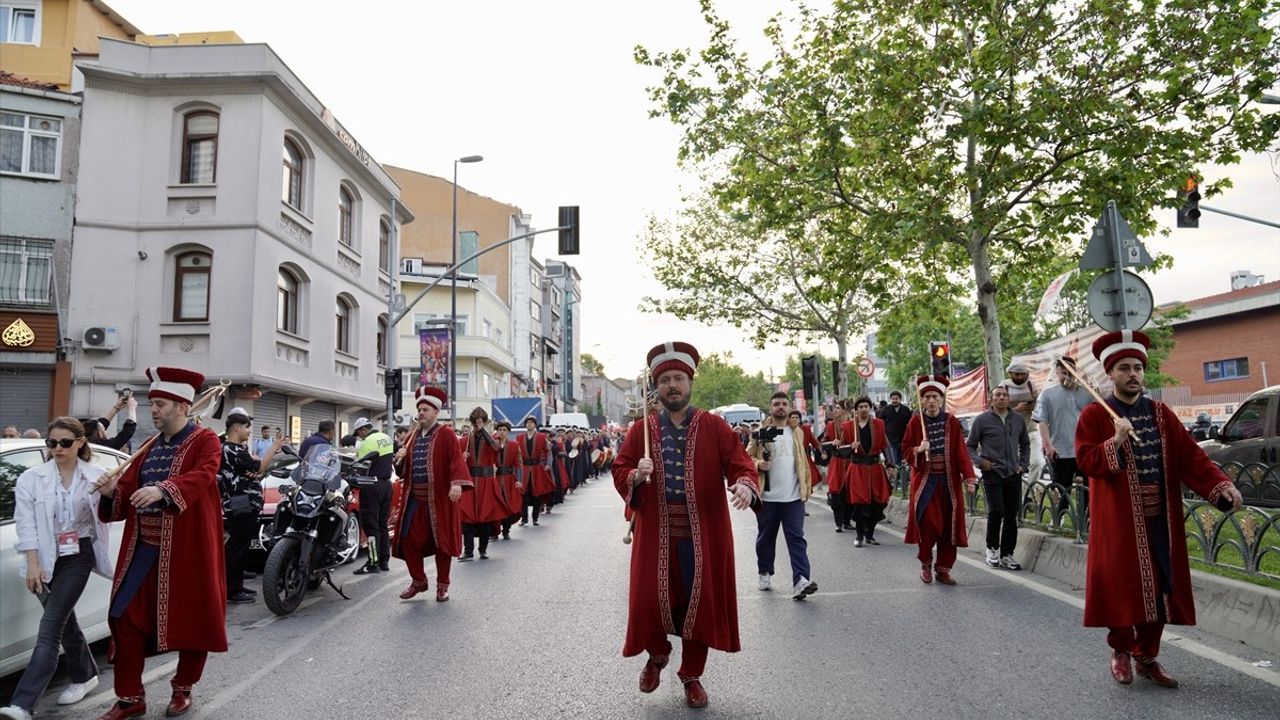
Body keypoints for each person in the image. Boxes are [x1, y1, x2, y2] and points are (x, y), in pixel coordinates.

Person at [1075, 330, 1242, 688]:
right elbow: (1087, 462)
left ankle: (1147, 655)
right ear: (1111, 374)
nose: (1133, 374)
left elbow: (1190, 457)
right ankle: (1121, 649)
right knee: (1122, 587)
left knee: (1162, 587)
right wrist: (1114, 441)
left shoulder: (1161, 414)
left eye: (1137, 367)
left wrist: (1219, 486)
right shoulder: (1094, 414)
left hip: (1160, 518)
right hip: (1118, 521)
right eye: (1124, 368)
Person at [612, 341, 759, 709]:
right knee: (648, 600)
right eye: (665, 380)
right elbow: (619, 467)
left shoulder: (714, 426)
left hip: (703, 533)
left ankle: (691, 675)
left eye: (678, 378)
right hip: (655, 532)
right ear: (656, 387)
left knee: (700, 604)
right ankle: (658, 654)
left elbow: (741, 464)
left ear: (690, 383)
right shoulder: (640, 430)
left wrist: (744, 484)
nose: (672, 386)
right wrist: (633, 475)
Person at [91, 366, 226, 720]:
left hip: (188, 548)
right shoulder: (148, 446)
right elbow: (128, 488)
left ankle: (183, 688)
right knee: (123, 617)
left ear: (183, 406)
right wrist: (111, 492)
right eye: (152, 403)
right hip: (143, 547)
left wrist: (163, 490)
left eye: (161, 403)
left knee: (193, 619)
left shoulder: (206, 440)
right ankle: (130, 698)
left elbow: (203, 474)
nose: (153, 410)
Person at [1, 419, 113, 720]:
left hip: (79, 554)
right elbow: (25, 525)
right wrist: (33, 564)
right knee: (64, 620)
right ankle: (85, 673)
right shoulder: (31, 478)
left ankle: (22, 703)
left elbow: (112, 512)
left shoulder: (96, 476)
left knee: (50, 627)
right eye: (52, 443)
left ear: (79, 442)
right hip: (45, 557)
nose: (57, 449)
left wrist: (111, 492)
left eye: (65, 443)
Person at [390, 387, 471, 601]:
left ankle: (442, 586)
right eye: (419, 409)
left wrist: (456, 484)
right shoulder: (412, 436)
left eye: (426, 409)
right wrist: (398, 460)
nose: (421, 413)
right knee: (407, 540)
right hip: (415, 499)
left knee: (442, 544)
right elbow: (403, 471)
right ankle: (419, 581)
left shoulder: (446, 434)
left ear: (436, 412)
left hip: (440, 499)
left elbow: (456, 460)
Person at [900, 375, 978, 586]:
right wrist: (918, 449)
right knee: (929, 525)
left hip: (948, 483)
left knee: (948, 528)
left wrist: (969, 477)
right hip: (926, 483)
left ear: (942, 399)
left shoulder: (951, 421)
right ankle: (926, 562)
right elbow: (905, 449)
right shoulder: (916, 422)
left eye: (935, 396)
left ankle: (943, 568)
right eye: (927, 397)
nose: (932, 400)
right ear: (922, 400)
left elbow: (961, 452)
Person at [748, 392, 818, 599]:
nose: (781, 407)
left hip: (793, 498)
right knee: (766, 539)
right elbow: (746, 457)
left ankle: (801, 580)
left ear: (789, 408)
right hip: (767, 498)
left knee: (797, 538)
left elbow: (802, 461)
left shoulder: (797, 432)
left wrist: (806, 487)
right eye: (776, 404)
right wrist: (759, 464)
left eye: (784, 404)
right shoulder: (760, 433)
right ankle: (765, 572)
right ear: (770, 408)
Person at [218, 408, 284, 604]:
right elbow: (260, 467)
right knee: (238, 547)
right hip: (241, 503)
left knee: (238, 546)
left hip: (239, 502)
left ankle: (236, 586)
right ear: (237, 428)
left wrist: (253, 473)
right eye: (247, 427)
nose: (249, 431)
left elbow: (252, 473)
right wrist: (274, 448)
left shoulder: (229, 449)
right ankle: (233, 590)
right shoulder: (234, 450)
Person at [966, 385, 1030, 570]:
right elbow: (969, 446)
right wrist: (981, 462)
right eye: (998, 395)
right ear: (991, 399)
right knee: (996, 511)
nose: (1001, 398)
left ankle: (1007, 554)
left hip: (1013, 473)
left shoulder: (1017, 419)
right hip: (992, 472)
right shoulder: (982, 420)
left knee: (1011, 515)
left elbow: (1025, 444)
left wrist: (1023, 465)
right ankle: (992, 549)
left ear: (1009, 398)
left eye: (1004, 395)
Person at [1032, 357, 1094, 514]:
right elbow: (1042, 421)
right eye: (1064, 372)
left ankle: (1086, 519)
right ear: (1057, 372)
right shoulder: (1047, 394)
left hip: (1083, 449)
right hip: (1060, 449)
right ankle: (1059, 517)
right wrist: (1048, 445)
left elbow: (1094, 417)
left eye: (1070, 372)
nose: (1067, 375)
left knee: (1087, 487)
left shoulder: (1086, 392)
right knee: (1061, 487)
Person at [845, 396, 892, 547]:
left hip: (875, 469)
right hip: (858, 469)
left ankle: (869, 534)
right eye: (860, 406)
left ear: (870, 408)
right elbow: (839, 450)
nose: (864, 409)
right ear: (856, 410)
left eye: (866, 406)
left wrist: (890, 464)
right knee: (860, 504)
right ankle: (859, 535)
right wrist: (850, 447)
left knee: (876, 503)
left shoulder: (879, 424)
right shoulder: (847, 427)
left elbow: (885, 445)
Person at [459, 407, 504, 561]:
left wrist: (483, 429)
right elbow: (456, 462)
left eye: (480, 421)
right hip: (470, 483)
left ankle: (483, 550)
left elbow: (496, 448)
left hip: (486, 482)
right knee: (466, 517)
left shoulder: (493, 438)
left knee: (486, 517)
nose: (477, 425)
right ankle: (468, 551)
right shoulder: (465, 441)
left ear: (484, 422)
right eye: (475, 422)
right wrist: (461, 457)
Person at [352, 417, 394, 575]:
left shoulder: (367, 442)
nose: (359, 437)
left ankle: (373, 561)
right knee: (382, 524)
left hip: (371, 486)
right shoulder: (386, 437)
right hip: (386, 485)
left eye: (359, 433)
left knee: (370, 526)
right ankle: (384, 561)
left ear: (363, 429)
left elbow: (361, 468)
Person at [1004, 361, 1044, 485]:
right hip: (1010, 433)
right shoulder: (1003, 387)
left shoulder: (1032, 386)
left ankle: (1030, 491)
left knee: (1038, 462)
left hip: (1031, 430)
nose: (1020, 377)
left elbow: (1041, 407)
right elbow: (994, 411)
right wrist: (1015, 409)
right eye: (1017, 374)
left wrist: (1034, 406)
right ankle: (1019, 492)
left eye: (1022, 374)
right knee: (1014, 466)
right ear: (1011, 374)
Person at [821, 402, 853, 532]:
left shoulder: (852, 425)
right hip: (836, 462)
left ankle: (847, 521)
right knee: (836, 491)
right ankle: (838, 522)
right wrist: (831, 442)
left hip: (851, 461)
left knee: (849, 491)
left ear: (845, 411)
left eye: (838, 408)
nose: (835, 410)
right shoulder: (830, 425)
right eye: (835, 408)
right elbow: (822, 443)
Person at [521, 417, 556, 526]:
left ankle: (535, 518)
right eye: (527, 423)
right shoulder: (520, 437)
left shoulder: (541, 437)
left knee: (536, 494)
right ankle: (524, 519)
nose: (529, 424)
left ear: (535, 425)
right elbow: (517, 454)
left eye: (531, 422)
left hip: (537, 469)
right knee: (523, 494)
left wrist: (548, 465)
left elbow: (548, 451)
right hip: (525, 469)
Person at [493, 421, 524, 539]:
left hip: (508, 479)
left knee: (507, 504)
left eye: (504, 430)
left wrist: (519, 479)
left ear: (508, 432)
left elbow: (519, 464)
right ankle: (494, 530)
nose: (501, 432)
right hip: (495, 479)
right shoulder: (493, 445)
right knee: (495, 504)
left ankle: (506, 529)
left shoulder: (514, 445)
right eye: (499, 429)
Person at [877, 390, 913, 467]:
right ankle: (894, 474)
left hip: (903, 438)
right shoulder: (886, 409)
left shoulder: (905, 410)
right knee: (893, 459)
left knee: (902, 459)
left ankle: (901, 475)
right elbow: (879, 422)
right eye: (893, 399)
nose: (894, 401)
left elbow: (910, 423)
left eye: (896, 399)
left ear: (900, 399)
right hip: (890, 439)